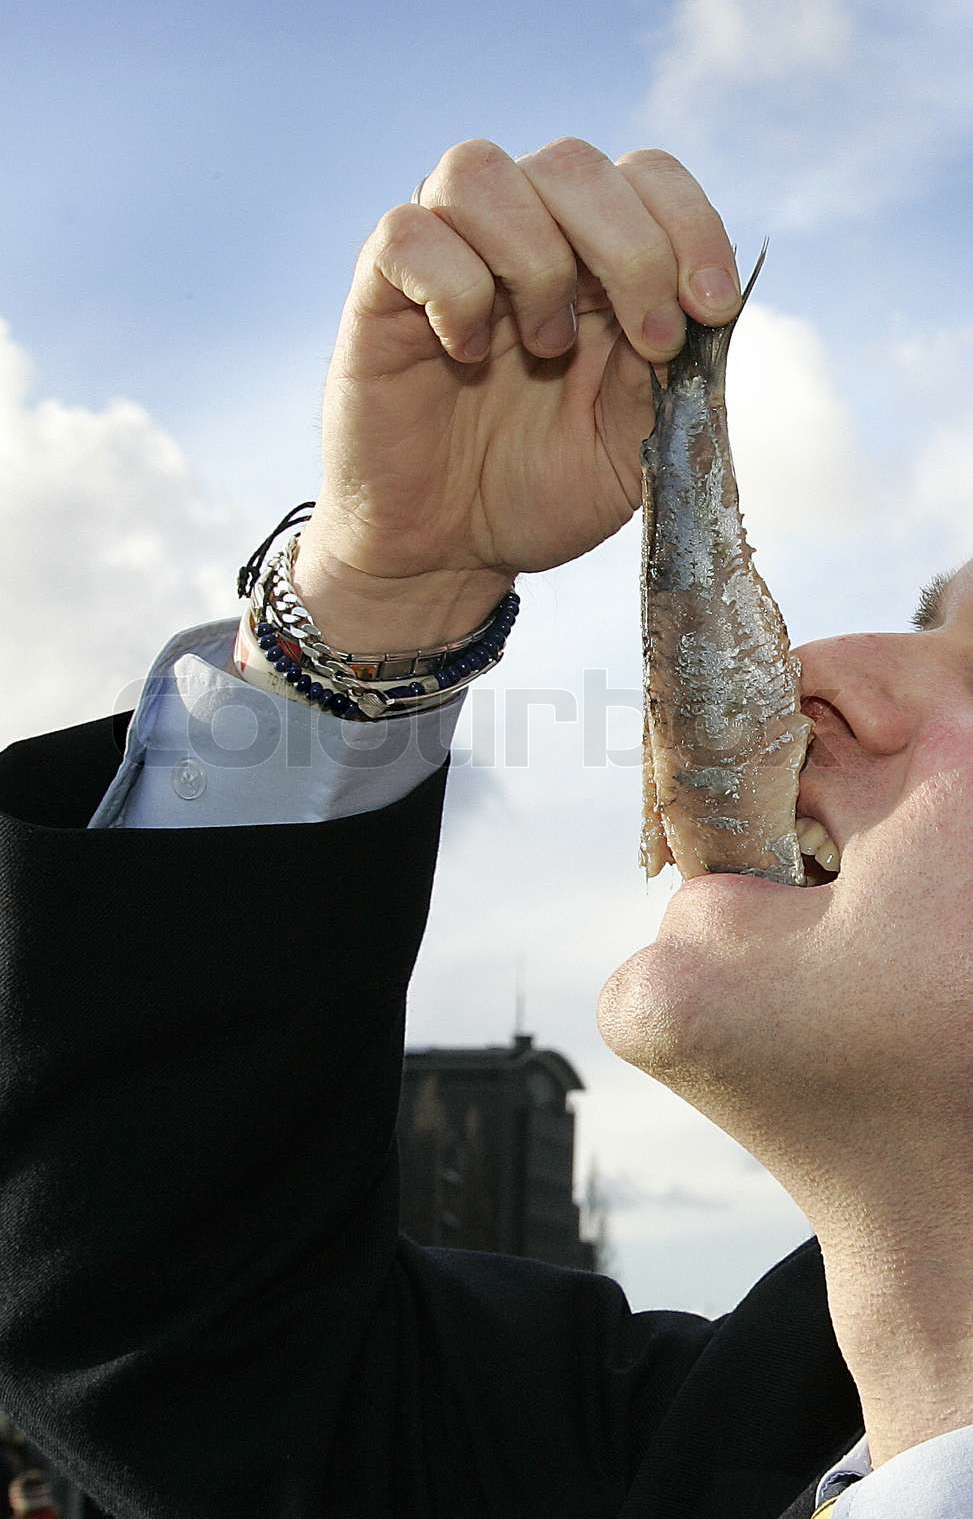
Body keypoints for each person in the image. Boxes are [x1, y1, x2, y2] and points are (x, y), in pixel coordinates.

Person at [0, 137, 970, 1519]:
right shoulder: (665, 1456)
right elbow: (167, 1336)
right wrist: (377, 600)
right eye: (933, 620)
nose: (816, 662)